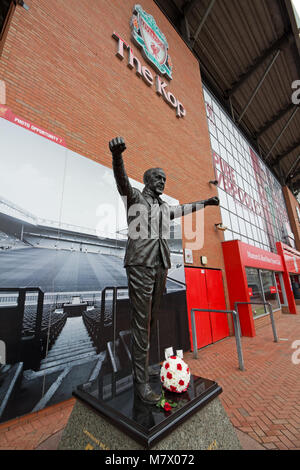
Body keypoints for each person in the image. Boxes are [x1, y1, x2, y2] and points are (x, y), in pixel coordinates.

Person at [109, 136, 219, 404]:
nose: (162, 182)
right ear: (148, 181)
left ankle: (143, 370)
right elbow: (122, 181)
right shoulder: (135, 197)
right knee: (141, 323)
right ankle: (140, 384)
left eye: (164, 179)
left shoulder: (163, 207)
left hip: (160, 265)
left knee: (149, 322)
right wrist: (117, 156)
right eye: (158, 178)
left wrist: (204, 204)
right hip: (140, 264)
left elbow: (182, 209)